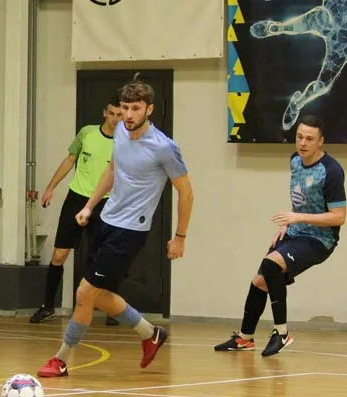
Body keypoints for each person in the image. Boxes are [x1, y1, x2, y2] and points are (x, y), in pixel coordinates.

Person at [36, 77, 194, 378]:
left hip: (130, 230)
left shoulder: (164, 147)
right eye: (124, 108)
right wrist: (89, 206)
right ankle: (150, 334)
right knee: (97, 294)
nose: (129, 115)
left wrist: (180, 237)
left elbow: (186, 192)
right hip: (107, 220)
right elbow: (112, 169)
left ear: (149, 109)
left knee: (85, 292)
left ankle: (61, 359)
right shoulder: (120, 131)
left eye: (136, 109)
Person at [214, 115, 345, 356]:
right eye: (299, 137)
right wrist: (288, 224)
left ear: (321, 142)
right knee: (259, 281)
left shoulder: (331, 171)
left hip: (319, 239)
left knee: (271, 265)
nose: (303, 143)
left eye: (309, 139)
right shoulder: (295, 160)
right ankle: (245, 338)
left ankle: (282, 333)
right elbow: (303, 199)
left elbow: (338, 217)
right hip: (295, 231)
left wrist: (298, 218)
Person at [30, 97, 122, 325]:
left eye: (119, 115)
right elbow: (70, 159)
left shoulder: (126, 141)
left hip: (105, 202)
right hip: (76, 198)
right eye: (112, 113)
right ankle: (48, 306)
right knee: (59, 255)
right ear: (105, 113)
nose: (115, 119)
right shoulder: (87, 133)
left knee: (103, 257)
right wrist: (51, 187)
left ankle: (111, 309)